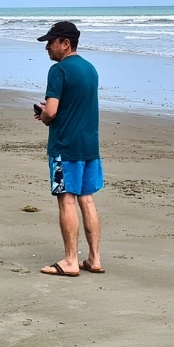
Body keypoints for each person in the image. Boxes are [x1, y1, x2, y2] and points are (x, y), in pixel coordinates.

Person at [34, 21, 104, 277]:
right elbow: (76, 105)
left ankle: (70, 260)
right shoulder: (90, 69)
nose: (48, 48)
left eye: (51, 43)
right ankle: (94, 258)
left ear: (66, 43)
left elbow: (52, 111)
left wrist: (44, 116)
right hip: (90, 146)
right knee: (87, 200)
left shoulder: (58, 71)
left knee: (66, 201)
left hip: (66, 146)